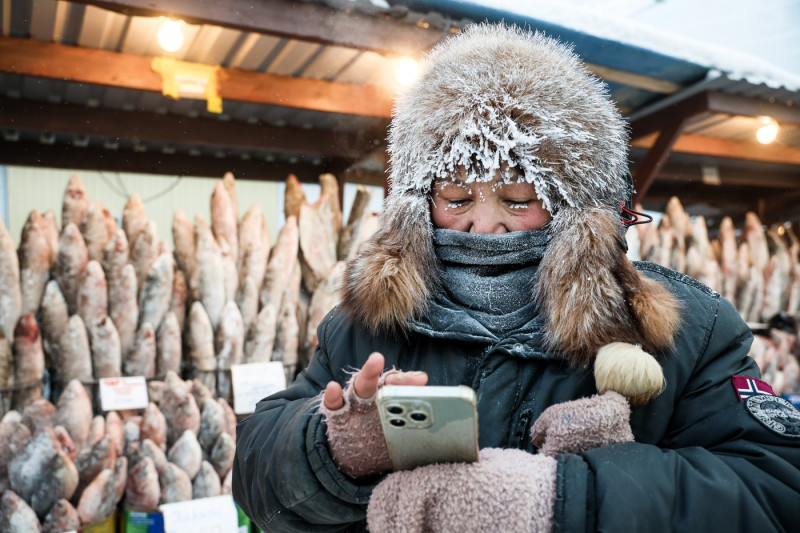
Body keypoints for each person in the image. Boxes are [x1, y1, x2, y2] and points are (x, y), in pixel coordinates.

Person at [233, 23, 800, 532]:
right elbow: (255, 474)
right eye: (457, 198)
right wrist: (332, 451)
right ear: (418, 204)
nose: (485, 225)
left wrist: (569, 499)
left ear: (576, 204)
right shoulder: (364, 324)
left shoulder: (688, 330)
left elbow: (776, 490)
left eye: (519, 199)